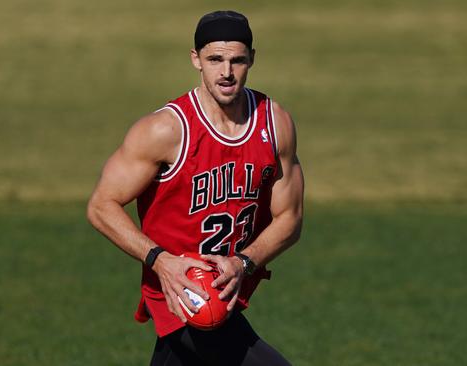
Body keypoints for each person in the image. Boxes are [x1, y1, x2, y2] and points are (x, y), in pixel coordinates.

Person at [87, 10, 304, 365]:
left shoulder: (274, 123)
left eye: (237, 60)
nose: (226, 72)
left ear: (252, 59)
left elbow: (290, 218)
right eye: (215, 59)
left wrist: (243, 262)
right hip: (183, 297)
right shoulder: (166, 131)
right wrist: (160, 261)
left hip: (227, 290)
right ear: (196, 60)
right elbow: (101, 205)